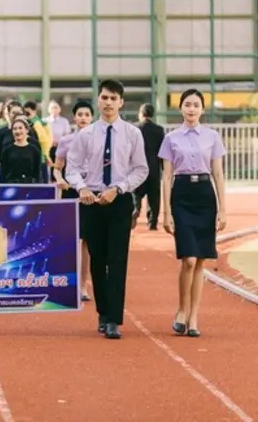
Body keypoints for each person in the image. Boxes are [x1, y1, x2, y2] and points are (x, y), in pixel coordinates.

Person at [65, 80, 148, 340]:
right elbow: (72, 167)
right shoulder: (85, 134)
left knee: (118, 260)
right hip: (91, 202)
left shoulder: (132, 134)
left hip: (119, 201)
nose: (109, 102)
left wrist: (119, 188)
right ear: (98, 100)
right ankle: (103, 312)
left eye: (114, 98)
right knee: (98, 261)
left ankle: (114, 319)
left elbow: (141, 169)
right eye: (104, 97)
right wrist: (82, 188)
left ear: (121, 102)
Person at [158, 89, 226, 338]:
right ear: (180, 108)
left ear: (202, 109)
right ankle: (182, 310)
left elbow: (218, 174)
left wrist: (223, 210)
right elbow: (166, 176)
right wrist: (166, 213)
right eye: (187, 104)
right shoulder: (171, 138)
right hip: (182, 195)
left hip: (205, 196)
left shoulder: (213, 136)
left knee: (200, 261)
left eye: (196, 105)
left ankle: (194, 315)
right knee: (187, 259)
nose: (191, 109)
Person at [53, 100, 94, 302]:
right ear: (74, 118)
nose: (83, 118)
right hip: (71, 191)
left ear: (92, 118)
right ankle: (66, 283)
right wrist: (59, 179)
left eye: (87, 114)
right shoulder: (66, 141)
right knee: (70, 240)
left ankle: (83, 286)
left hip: (91, 191)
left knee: (87, 241)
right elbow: (57, 167)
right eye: (80, 114)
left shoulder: (99, 140)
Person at [133, 103, 165, 230]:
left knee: (136, 194)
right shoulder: (159, 130)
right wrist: (163, 168)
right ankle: (152, 222)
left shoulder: (134, 128)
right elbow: (163, 151)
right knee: (154, 197)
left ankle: (135, 210)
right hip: (153, 168)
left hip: (137, 168)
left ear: (141, 114)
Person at [0, 116, 42, 184]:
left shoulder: (34, 150)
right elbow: (3, 172)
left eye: (20, 128)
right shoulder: (7, 150)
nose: (17, 131)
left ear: (27, 130)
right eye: (15, 129)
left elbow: (37, 173)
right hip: (11, 185)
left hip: (29, 185)